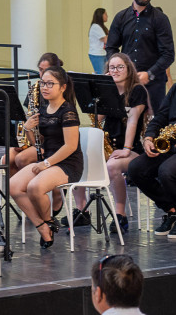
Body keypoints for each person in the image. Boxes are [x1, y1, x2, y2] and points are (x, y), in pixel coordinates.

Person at [64, 54, 149, 232]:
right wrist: (92, 95)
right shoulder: (107, 90)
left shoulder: (137, 91)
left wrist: (126, 149)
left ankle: (120, 215)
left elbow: (133, 121)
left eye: (119, 67)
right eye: (111, 67)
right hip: (108, 145)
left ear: (128, 69)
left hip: (131, 149)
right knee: (75, 159)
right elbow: (98, 118)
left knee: (112, 166)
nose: (115, 71)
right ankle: (81, 211)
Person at [10, 66, 83, 249]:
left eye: (50, 84)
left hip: (67, 164)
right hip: (48, 160)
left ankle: (49, 221)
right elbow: (38, 143)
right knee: (13, 186)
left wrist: (46, 163)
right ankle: (43, 225)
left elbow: (70, 146)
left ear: (63, 87)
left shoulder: (68, 111)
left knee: (35, 187)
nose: (45, 87)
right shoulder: (43, 109)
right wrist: (28, 129)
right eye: (43, 83)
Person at [127, 44, 176, 239]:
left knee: (167, 171)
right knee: (135, 169)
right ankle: (172, 210)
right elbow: (160, 117)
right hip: (172, 145)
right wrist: (149, 138)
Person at [105, 0, 174, 110]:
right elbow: (111, 48)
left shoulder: (160, 19)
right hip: (126, 82)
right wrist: (115, 68)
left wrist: (149, 74)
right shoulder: (121, 17)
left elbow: (168, 54)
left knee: (152, 124)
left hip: (153, 83)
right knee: (126, 122)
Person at [89, 8, 110, 74]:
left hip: (103, 53)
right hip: (97, 54)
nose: (107, 16)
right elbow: (106, 40)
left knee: (106, 73)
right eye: (105, 14)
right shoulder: (96, 27)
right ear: (100, 16)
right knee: (101, 74)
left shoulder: (102, 27)